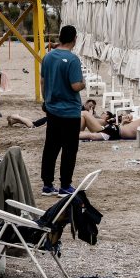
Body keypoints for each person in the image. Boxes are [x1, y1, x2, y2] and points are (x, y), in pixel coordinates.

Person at [40, 25, 85, 196]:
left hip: (52, 108)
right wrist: (83, 83)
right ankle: (65, 185)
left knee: (50, 147)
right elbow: (75, 85)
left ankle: (47, 184)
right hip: (70, 111)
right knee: (69, 149)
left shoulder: (48, 57)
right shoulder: (73, 60)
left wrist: (46, 100)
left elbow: (43, 81)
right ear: (74, 39)